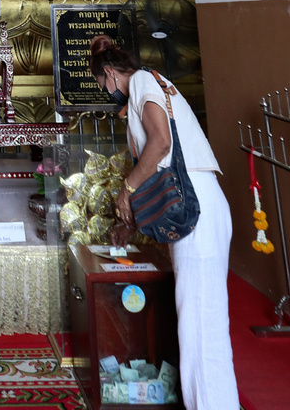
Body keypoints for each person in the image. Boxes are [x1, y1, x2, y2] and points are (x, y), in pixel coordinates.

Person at [88, 34, 239, 410]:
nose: (106, 92)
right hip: (191, 207)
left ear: (110, 74)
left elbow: (161, 144)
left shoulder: (141, 81)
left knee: (201, 325)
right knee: (196, 321)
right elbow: (160, 177)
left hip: (197, 206)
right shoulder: (150, 86)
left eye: (101, 84)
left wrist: (126, 190)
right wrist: (131, 223)